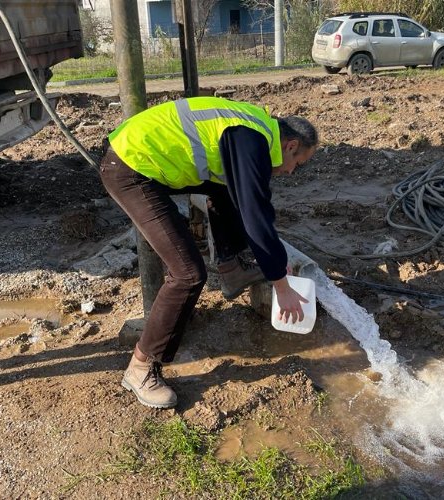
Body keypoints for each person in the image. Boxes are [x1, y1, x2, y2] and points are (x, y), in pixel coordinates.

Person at [99, 97, 319, 409]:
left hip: (142, 158)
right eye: (297, 165)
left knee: (228, 192)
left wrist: (273, 263)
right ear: (292, 145)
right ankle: (141, 367)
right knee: (188, 273)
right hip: (131, 168)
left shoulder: (257, 130)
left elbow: (255, 204)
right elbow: (256, 218)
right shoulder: (251, 139)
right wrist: (281, 286)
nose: (290, 172)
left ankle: (232, 270)